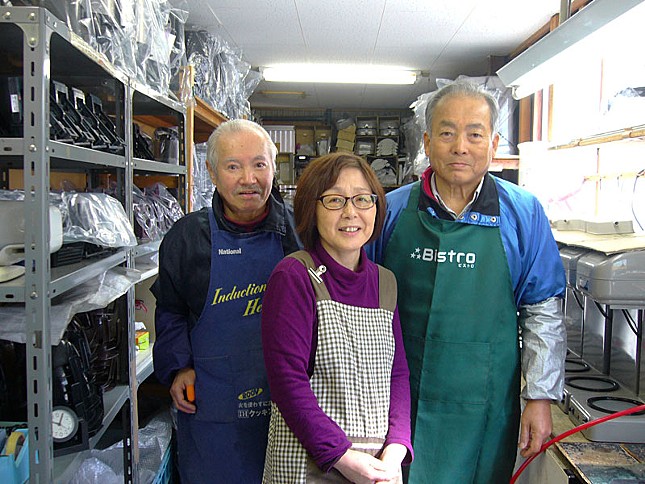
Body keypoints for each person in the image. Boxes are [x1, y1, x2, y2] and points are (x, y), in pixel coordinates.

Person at [367, 80, 566, 483]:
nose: (460, 146)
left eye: (474, 134)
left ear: (492, 144)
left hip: (486, 407)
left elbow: (542, 311)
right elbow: (360, 300)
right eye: (446, 132)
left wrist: (540, 396)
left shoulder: (522, 213)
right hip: (400, 398)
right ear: (427, 140)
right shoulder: (392, 210)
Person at [151, 118, 301, 483]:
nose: (248, 179)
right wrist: (178, 366)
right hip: (211, 408)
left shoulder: (300, 233)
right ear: (212, 172)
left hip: (289, 407)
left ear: (273, 164)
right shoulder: (187, 237)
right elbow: (170, 309)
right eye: (233, 166)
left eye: (259, 164)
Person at [261, 152, 413, 483]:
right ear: (310, 210)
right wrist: (341, 456)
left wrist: (397, 449)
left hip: (374, 468)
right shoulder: (295, 275)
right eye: (334, 200)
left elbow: (397, 374)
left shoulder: (385, 282)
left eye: (362, 199)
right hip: (310, 465)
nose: (350, 212)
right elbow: (288, 384)